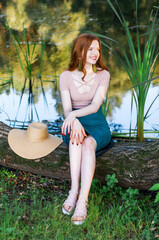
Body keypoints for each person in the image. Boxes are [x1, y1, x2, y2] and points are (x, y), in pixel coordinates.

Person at [59, 33, 111, 225]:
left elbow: (95, 106)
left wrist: (74, 115)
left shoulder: (103, 75)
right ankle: (74, 191)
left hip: (97, 124)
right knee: (76, 137)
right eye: (90, 49)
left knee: (88, 143)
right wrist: (72, 119)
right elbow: (66, 109)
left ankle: (83, 200)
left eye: (97, 49)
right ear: (79, 51)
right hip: (74, 124)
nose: (95, 53)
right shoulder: (65, 76)